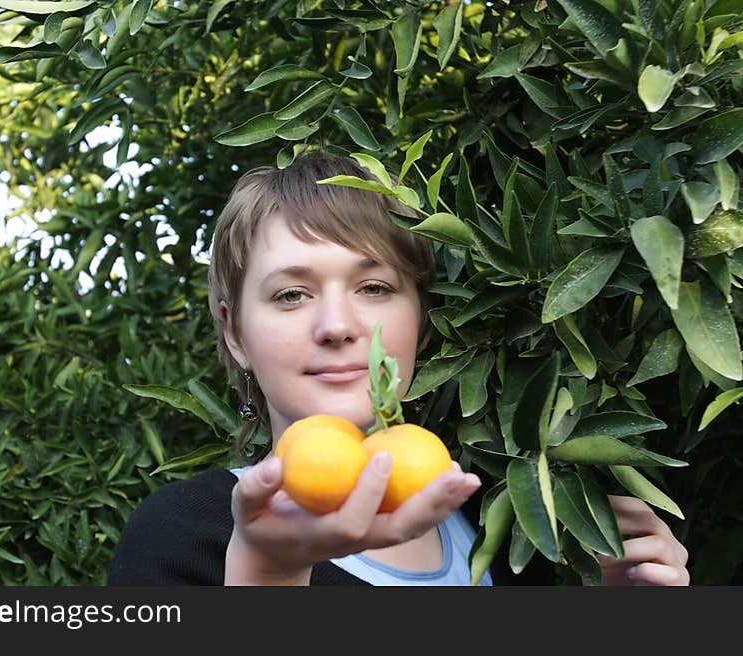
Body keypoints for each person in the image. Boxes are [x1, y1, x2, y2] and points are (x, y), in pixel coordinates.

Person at [108, 154, 689, 586]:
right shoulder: (184, 535)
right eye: (290, 294)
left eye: (375, 287)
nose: (336, 325)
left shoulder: (505, 528)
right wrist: (266, 572)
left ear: (422, 321)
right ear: (235, 333)